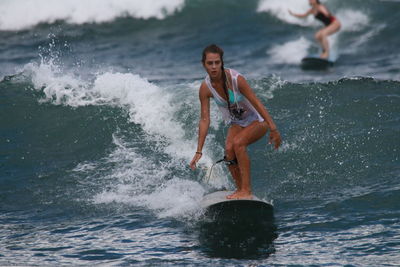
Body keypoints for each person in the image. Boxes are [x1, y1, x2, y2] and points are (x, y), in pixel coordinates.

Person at [189, 44, 281, 200]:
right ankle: (240, 190)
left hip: (257, 120)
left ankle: (247, 190)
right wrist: (199, 150)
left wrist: (273, 128)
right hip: (237, 122)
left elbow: (257, 103)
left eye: (217, 62)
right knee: (229, 151)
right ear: (203, 64)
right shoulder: (206, 88)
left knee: (238, 143)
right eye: (210, 63)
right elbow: (205, 119)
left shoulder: (235, 79)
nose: (214, 67)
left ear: (222, 62)